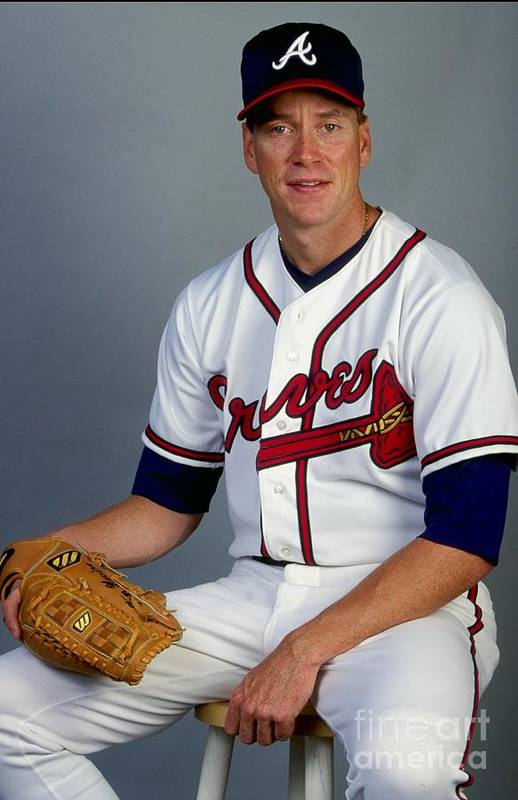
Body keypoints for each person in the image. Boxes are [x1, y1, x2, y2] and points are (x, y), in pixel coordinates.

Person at [1, 21, 517, 800]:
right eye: (279, 128)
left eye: (329, 125)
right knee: (7, 712)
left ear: (364, 140)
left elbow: (467, 537)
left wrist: (304, 649)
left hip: (406, 611)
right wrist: (44, 550)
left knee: (408, 775)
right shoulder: (209, 303)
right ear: (250, 148)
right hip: (252, 600)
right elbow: (167, 505)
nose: (306, 153)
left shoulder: (442, 297)